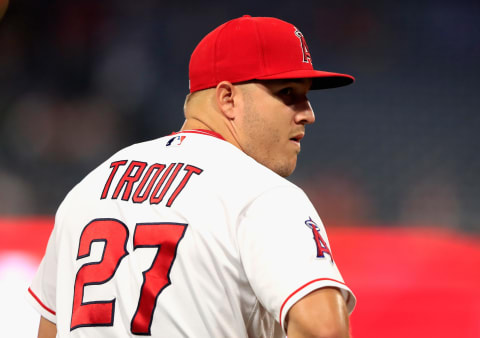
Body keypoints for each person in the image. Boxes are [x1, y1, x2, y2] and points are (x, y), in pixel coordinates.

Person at [27, 15, 356, 338]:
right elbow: (324, 329)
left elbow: (49, 330)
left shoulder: (89, 188)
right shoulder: (262, 194)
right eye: (288, 93)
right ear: (227, 98)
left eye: (306, 96)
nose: (308, 114)